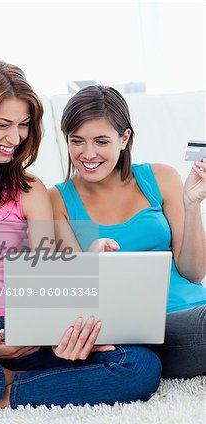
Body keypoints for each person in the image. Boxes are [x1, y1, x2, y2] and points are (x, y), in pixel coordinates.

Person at [0, 62, 161, 410]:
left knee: (141, 366)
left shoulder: (29, 190)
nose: (15, 138)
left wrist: (58, 336)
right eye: (3, 125)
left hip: (22, 340)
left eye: (23, 126)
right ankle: (4, 382)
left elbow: (49, 290)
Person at [50, 85, 206, 379]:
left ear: (124, 139)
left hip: (193, 312)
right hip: (135, 332)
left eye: (101, 141)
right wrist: (88, 262)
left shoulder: (160, 178)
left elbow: (194, 272)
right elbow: (69, 298)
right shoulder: (58, 200)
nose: (88, 153)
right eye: (77, 141)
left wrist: (191, 204)